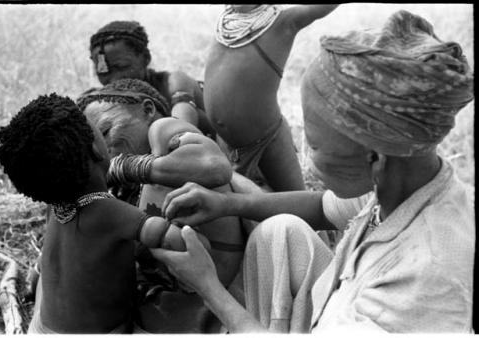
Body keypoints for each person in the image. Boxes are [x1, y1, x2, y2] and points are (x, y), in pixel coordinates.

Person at [152, 10, 475, 333]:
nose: (307, 158)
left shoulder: (424, 280)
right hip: (345, 303)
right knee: (280, 234)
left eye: (316, 147)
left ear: (374, 157)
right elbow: (323, 206)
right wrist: (225, 204)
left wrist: (209, 287)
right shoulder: (405, 179)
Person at [0, 93, 211, 333]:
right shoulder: (108, 212)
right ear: (97, 148)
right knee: (192, 313)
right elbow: (175, 240)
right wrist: (194, 235)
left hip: (41, 328)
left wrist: (33, 281)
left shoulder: (56, 206)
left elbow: (46, 259)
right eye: (98, 129)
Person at [78, 78, 257, 333]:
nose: (105, 150)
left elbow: (215, 167)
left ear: (148, 110)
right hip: (190, 300)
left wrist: (127, 167)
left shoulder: (163, 130)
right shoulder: (127, 185)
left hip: (221, 294)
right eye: (96, 146)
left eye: (106, 130)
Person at [204, 4, 338, 191]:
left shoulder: (282, 22)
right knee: (247, 207)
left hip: (267, 139)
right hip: (227, 142)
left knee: (294, 200)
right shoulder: (227, 22)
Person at [87, 20, 216, 137]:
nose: (114, 79)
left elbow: (180, 133)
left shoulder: (174, 83)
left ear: (146, 58)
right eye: (103, 73)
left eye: (122, 67)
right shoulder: (97, 103)